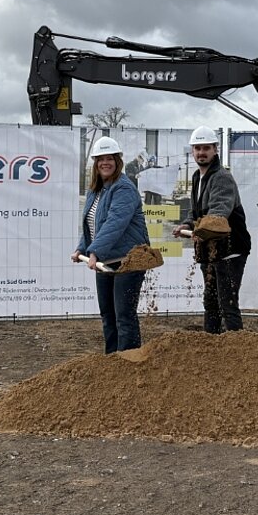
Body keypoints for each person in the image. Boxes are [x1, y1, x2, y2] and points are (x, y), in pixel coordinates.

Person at [71, 136, 150, 353]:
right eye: (100, 159)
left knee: (124, 316)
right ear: (95, 163)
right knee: (108, 314)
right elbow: (94, 224)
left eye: (109, 158)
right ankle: (111, 362)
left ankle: (129, 362)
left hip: (128, 260)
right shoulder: (96, 189)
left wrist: (94, 251)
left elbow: (115, 223)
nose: (105, 163)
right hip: (106, 261)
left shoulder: (123, 188)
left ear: (117, 161)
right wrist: (82, 248)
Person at [172, 125, 250, 333]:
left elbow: (218, 215)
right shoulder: (198, 177)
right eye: (197, 148)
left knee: (228, 304)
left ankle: (236, 350)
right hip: (211, 249)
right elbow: (196, 212)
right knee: (211, 301)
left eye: (206, 148)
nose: (201, 152)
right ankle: (211, 347)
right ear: (192, 152)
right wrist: (187, 225)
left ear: (215, 149)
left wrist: (198, 229)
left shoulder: (222, 177)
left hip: (230, 249)